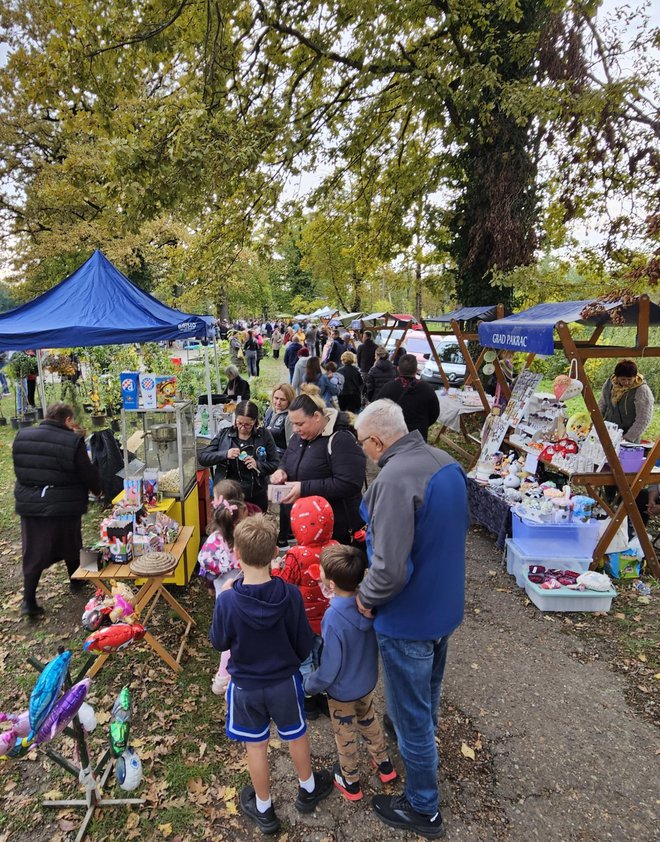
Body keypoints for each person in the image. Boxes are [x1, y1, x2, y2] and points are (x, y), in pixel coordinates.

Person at [354, 399, 468, 839]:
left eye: (364, 442)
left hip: (408, 620)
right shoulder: (447, 463)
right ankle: (421, 752)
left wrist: (366, 597)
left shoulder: (393, 479)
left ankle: (424, 806)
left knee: (412, 715)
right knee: (427, 698)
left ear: (378, 440)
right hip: (443, 609)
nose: (365, 450)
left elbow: (390, 569)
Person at [210, 515, 333, 834]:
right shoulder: (290, 596)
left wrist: (222, 600)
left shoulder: (227, 600)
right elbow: (304, 643)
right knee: (296, 732)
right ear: (276, 552)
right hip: (284, 683)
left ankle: (264, 808)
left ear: (236, 553)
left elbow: (219, 641)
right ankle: (307, 788)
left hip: (246, 688)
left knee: (256, 746)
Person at [304, 544, 397, 802]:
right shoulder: (367, 604)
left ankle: (351, 781)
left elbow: (330, 665)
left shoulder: (333, 617)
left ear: (330, 584)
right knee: (369, 720)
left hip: (342, 691)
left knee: (345, 735)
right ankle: (384, 765)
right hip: (365, 681)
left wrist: (311, 684)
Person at [12, 402, 102, 617]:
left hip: (31, 503)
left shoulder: (22, 436)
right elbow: (86, 472)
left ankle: (29, 600)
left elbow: (19, 467)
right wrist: (98, 489)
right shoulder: (73, 441)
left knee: (33, 550)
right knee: (71, 542)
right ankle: (76, 580)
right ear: (68, 420)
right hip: (64, 504)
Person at [272, 496, 338, 718]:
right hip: (329, 618)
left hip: (302, 621)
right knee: (325, 655)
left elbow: (283, 583)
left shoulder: (296, 555)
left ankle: (309, 700)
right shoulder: (335, 549)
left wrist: (273, 570)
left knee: (305, 658)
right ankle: (327, 696)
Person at [270, 393, 366, 545]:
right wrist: (281, 471)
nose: (295, 429)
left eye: (300, 424)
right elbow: (287, 459)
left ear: (316, 416)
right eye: (293, 423)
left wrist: (303, 488)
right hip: (308, 526)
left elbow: (350, 483)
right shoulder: (299, 437)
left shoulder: (341, 439)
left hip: (337, 531)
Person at [198, 495, 248, 695]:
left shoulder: (213, 541)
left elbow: (208, 568)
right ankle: (223, 679)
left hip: (223, 597)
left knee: (230, 637)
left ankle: (225, 677)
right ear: (235, 524)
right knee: (234, 641)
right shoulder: (239, 545)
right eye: (245, 519)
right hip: (240, 596)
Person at [198, 400, 280, 513]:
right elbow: (203, 458)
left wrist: (258, 464)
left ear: (255, 422)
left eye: (247, 425)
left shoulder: (264, 435)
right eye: (239, 423)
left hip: (255, 494)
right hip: (228, 495)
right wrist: (225, 454)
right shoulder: (225, 434)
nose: (242, 428)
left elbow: (275, 464)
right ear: (235, 419)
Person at [378, 354, 440, 441]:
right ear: (416, 370)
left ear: (398, 369)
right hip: (418, 436)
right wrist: (423, 424)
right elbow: (434, 413)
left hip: (393, 436)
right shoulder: (427, 389)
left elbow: (377, 412)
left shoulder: (388, 388)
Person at [597, 359, 655, 442]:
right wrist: (596, 423)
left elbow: (643, 418)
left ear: (635, 377)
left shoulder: (641, 390)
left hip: (629, 435)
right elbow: (602, 404)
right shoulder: (610, 383)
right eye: (623, 379)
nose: (626, 382)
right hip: (609, 430)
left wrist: (627, 438)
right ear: (617, 377)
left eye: (629, 379)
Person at [263, 383, 295, 456]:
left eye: (283, 399)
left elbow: (291, 445)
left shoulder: (289, 417)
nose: (278, 402)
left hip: (280, 458)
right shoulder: (270, 410)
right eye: (276, 398)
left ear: (289, 401)